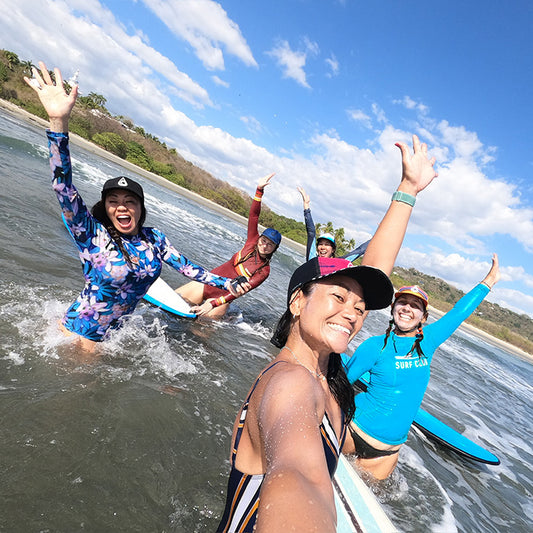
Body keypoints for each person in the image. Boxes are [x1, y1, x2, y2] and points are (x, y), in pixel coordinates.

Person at [217, 134, 438, 532]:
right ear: (298, 302)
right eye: (337, 297)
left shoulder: (328, 375)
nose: (351, 312)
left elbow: (378, 269)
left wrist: (407, 191)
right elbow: (299, 477)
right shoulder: (291, 384)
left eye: (359, 306)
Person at [24, 62, 243, 351]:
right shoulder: (91, 234)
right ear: (106, 208)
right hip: (80, 334)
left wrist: (226, 283)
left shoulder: (155, 239)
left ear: (140, 208)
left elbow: (188, 268)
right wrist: (58, 123)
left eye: (130, 202)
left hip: (112, 338)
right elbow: (63, 186)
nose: (121, 207)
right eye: (113, 202)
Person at [342, 254, 501, 480]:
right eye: (403, 303)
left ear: (423, 317)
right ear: (393, 308)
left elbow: (459, 312)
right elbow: (342, 382)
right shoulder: (374, 346)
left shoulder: (428, 342)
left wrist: (489, 281)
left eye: (415, 306)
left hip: (386, 453)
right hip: (351, 431)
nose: (407, 308)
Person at [176, 173, 281, 318]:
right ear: (259, 239)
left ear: (275, 249)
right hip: (206, 283)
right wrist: (259, 191)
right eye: (264, 240)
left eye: (271, 244)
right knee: (168, 303)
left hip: (220, 301)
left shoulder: (264, 271)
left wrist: (212, 304)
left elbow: (239, 291)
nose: (265, 245)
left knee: (197, 333)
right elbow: (254, 216)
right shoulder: (251, 242)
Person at [297, 186, 369, 262]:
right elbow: (311, 232)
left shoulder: (338, 263)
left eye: (327, 244)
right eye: (320, 244)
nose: (323, 247)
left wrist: (381, 233)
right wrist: (306, 205)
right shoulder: (312, 258)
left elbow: (360, 250)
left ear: (333, 250)